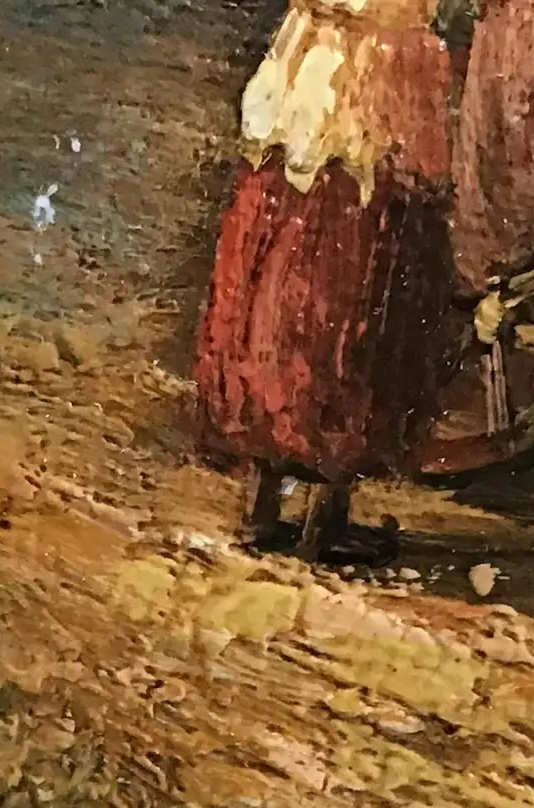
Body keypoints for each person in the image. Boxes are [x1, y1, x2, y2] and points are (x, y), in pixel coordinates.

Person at [189, 0, 457, 563]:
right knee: (352, 291)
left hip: (312, 68)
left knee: (285, 282)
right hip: (369, 75)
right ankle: (321, 522)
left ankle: (263, 508)